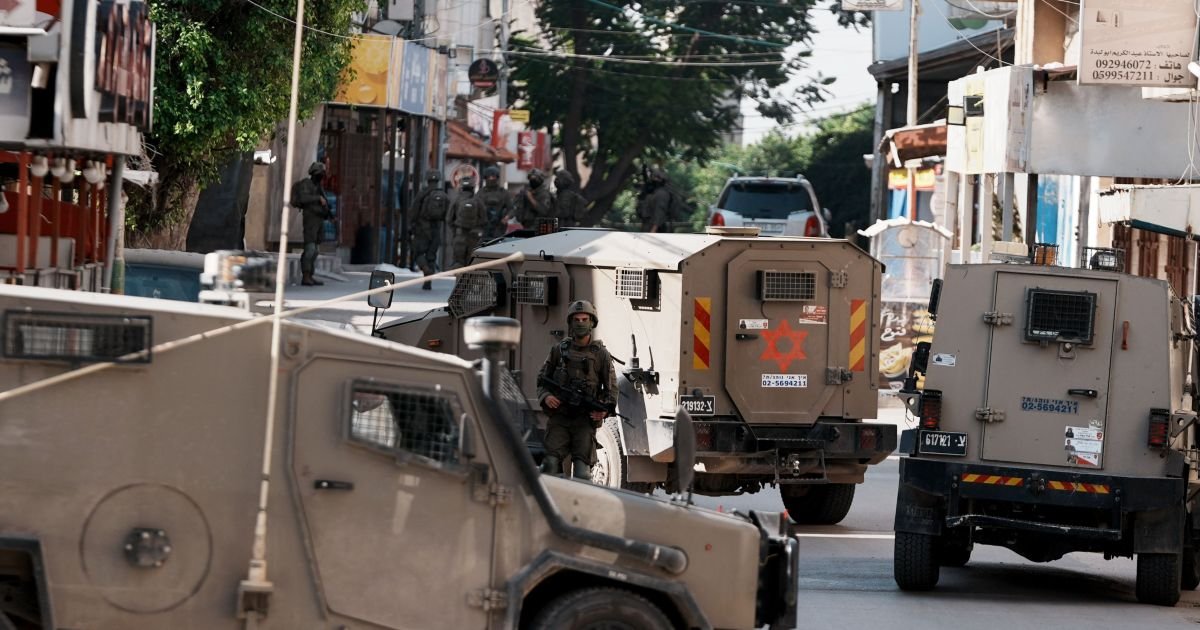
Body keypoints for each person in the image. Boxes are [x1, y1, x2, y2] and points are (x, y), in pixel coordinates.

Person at [536, 300, 617, 480]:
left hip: (584, 421)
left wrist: (603, 410)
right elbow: (541, 379)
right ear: (571, 323)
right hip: (560, 417)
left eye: (584, 319)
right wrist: (546, 396)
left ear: (592, 323)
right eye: (577, 320)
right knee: (548, 465)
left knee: (582, 472)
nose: (580, 323)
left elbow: (611, 389)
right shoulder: (559, 350)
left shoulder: (601, 354)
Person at [290, 161, 332, 286]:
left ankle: (310, 275)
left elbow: (325, 204)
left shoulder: (319, 187)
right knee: (310, 248)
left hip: (319, 219)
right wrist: (317, 199)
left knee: (315, 250)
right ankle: (306, 275)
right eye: (320, 173)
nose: (321, 176)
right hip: (310, 219)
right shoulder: (306, 184)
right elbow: (303, 199)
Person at [410, 170, 449, 290]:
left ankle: (425, 269)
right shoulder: (443, 195)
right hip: (436, 228)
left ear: (427, 179)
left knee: (418, 253)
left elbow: (414, 210)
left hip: (422, 228)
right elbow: (447, 214)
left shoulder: (422, 193)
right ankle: (428, 283)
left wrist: (411, 225)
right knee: (431, 255)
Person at [447, 175, 485, 268]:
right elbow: (484, 219)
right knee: (471, 263)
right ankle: (468, 282)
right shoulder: (478, 201)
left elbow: (449, 219)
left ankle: (458, 281)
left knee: (458, 262)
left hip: (459, 235)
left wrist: (455, 231)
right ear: (473, 187)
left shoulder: (456, 200)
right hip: (474, 236)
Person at [508, 168, 555, 233]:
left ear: (540, 179)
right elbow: (516, 205)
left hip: (539, 226)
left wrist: (530, 198)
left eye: (535, 178)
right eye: (531, 178)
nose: (532, 180)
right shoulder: (526, 191)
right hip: (526, 225)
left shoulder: (544, 194)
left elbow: (543, 210)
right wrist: (509, 216)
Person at [476, 165, 512, 240]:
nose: (491, 178)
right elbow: (475, 209)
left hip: (499, 226)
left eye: (493, 176)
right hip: (484, 226)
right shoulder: (480, 193)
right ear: (486, 178)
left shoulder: (503, 193)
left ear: (497, 177)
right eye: (489, 177)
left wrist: (506, 217)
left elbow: (511, 209)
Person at [636, 167, 673, 233]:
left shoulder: (662, 194)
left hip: (655, 229)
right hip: (647, 226)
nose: (652, 179)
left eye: (656, 177)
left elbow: (659, 214)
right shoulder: (652, 193)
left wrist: (653, 231)